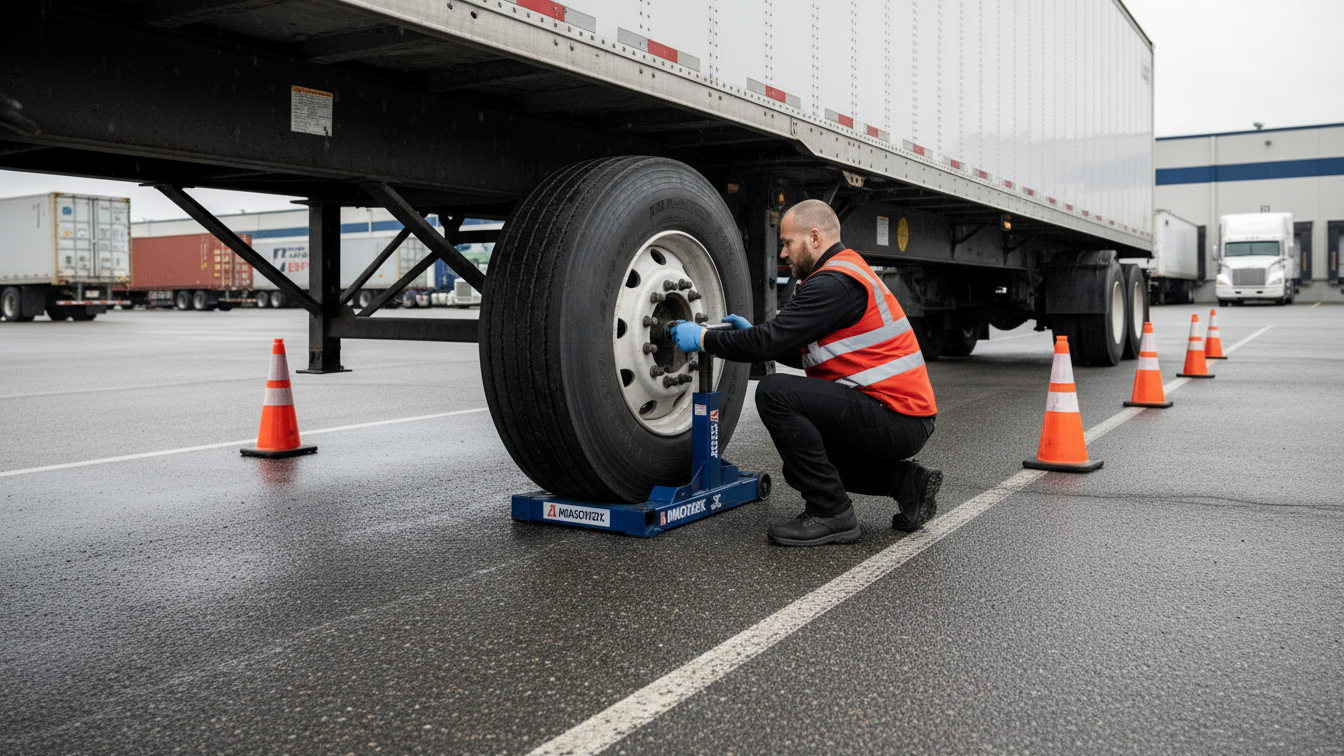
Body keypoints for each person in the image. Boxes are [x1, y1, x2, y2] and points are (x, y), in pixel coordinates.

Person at [670, 199, 941, 546]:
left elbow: (769, 344)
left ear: (814, 238)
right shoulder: (840, 273)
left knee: (773, 392)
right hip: (899, 414)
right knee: (801, 468)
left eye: (787, 243)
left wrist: (706, 339)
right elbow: (800, 352)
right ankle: (907, 483)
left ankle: (832, 514)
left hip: (897, 417)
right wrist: (740, 335)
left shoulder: (834, 283)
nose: (783, 254)